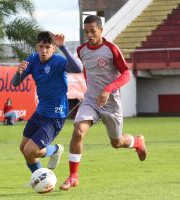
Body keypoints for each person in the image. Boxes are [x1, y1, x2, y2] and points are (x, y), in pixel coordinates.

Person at [60, 15, 147, 190]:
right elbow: (87, 71)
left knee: (116, 143)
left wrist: (108, 89)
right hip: (91, 100)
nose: (89, 35)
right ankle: (73, 177)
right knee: (78, 131)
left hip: (112, 103)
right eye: (86, 32)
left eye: (93, 31)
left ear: (101, 30)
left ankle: (137, 143)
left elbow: (125, 74)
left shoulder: (111, 49)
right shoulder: (81, 50)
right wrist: (89, 90)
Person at [12, 31, 82, 174]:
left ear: (53, 48)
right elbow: (15, 83)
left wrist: (63, 47)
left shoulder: (58, 61)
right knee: (23, 148)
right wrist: (18, 72)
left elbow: (78, 68)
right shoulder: (32, 59)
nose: (44, 50)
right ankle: (40, 178)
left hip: (55, 116)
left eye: (47, 47)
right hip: (40, 112)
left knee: (30, 150)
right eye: (41, 46)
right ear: (37, 47)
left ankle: (54, 151)